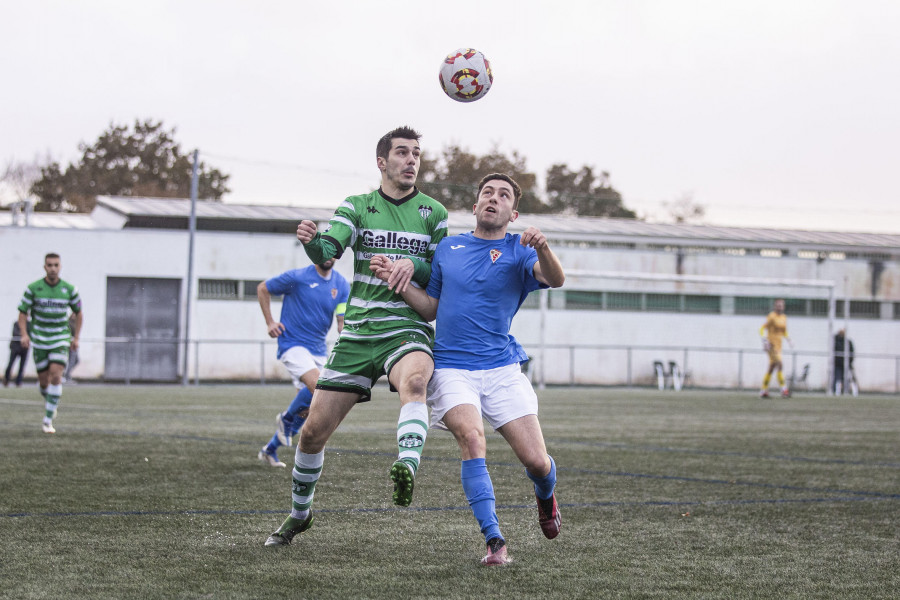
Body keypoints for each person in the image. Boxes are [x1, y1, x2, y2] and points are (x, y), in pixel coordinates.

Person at [265, 126, 448, 547]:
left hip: (405, 327)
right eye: (402, 152)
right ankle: (299, 514)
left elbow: (439, 272)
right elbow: (330, 249)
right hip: (359, 333)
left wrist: (411, 266)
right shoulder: (358, 205)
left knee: (416, 382)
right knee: (312, 433)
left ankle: (406, 464)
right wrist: (313, 245)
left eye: (416, 153)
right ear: (382, 162)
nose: (411, 160)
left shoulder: (433, 213)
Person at [371, 173, 566, 566]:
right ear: (476, 206)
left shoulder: (520, 251)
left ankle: (546, 496)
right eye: (487, 193)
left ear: (514, 213)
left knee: (537, 462)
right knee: (472, 440)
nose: (494, 198)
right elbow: (431, 309)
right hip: (452, 368)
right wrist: (397, 281)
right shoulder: (448, 248)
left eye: (504, 195)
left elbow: (556, 278)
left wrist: (543, 247)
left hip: (501, 370)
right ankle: (495, 541)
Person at [256, 258, 350, 467]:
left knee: (314, 405)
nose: (328, 256)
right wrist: (270, 322)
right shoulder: (297, 277)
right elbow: (263, 288)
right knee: (319, 387)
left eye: (334, 252)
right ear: (316, 252)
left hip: (318, 350)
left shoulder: (342, 285)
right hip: (293, 345)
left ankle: (270, 450)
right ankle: (286, 420)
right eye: (324, 251)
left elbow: (342, 322)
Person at [17, 253, 83, 433]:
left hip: (60, 338)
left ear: (60, 267)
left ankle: (47, 420)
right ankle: (51, 401)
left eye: (56, 265)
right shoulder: (33, 288)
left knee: (56, 376)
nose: (53, 268)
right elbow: (23, 313)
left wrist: (76, 337)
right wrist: (24, 334)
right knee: (44, 383)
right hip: (39, 339)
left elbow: (79, 313)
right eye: (49, 265)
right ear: (44, 267)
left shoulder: (69, 289)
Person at [759, 298, 792, 398]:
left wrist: (789, 339)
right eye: (778, 305)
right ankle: (784, 390)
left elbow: (784, 331)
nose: (780, 307)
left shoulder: (784, 317)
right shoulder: (771, 316)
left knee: (771, 368)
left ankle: (763, 391)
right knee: (780, 364)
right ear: (775, 306)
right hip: (771, 345)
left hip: (779, 346)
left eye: (781, 305)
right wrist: (765, 340)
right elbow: (761, 328)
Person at [4, 319, 29, 387]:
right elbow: (15, 333)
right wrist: (24, 335)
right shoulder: (16, 323)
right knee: (10, 364)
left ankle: (18, 381)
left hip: (25, 348)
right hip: (15, 347)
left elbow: (31, 334)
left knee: (22, 366)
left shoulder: (29, 324)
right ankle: (6, 379)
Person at [832, 328, 855, 395]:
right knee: (838, 378)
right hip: (838, 364)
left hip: (847, 364)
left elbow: (851, 353)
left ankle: (853, 391)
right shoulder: (836, 341)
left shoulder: (848, 342)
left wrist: (849, 362)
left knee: (850, 378)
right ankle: (837, 391)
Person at [62, 313, 79, 384]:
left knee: (76, 360)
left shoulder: (76, 323)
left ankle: (66, 375)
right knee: (70, 361)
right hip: (70, 345)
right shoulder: (69, 323)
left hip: (74, 345)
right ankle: (66, 376)